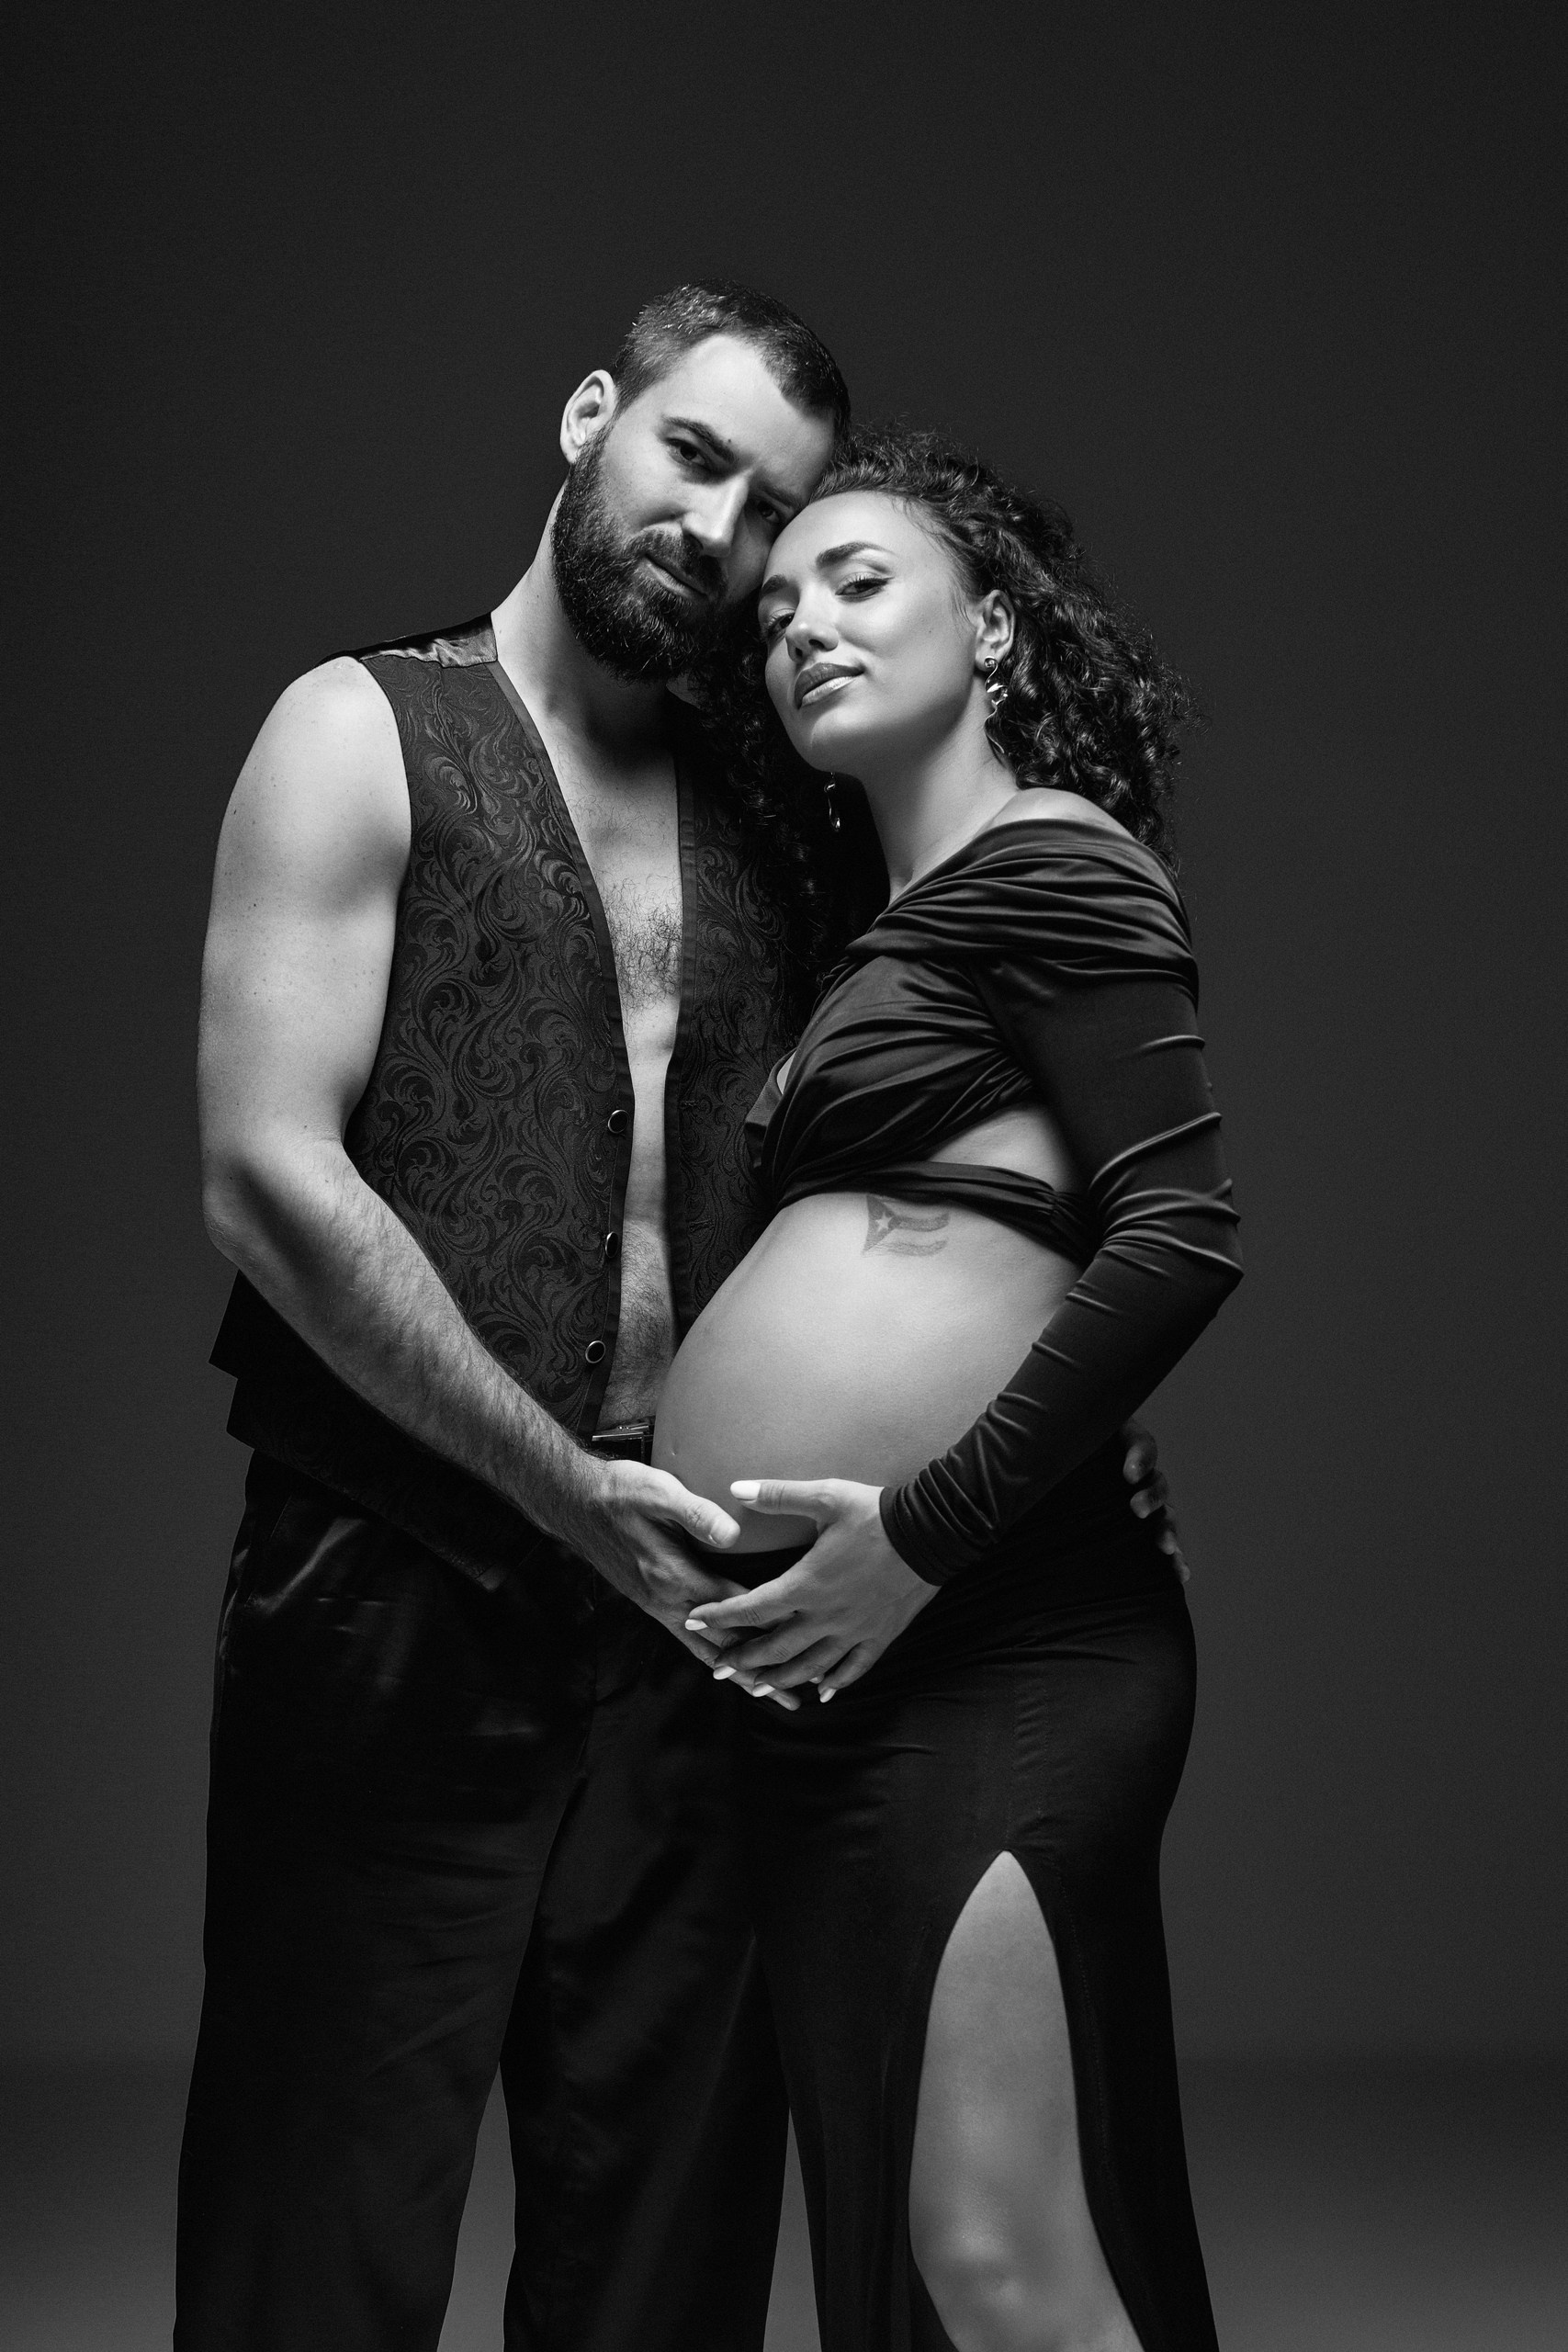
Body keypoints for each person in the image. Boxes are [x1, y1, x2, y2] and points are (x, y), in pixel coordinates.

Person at [181, 281, 1175, 2350]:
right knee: (313, 2237)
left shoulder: (791, 812)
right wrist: (564, 1485)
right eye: (693, 458)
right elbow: (267, 1176)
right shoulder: (361, 728)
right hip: (397, 1582)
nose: (723, 537)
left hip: (697, 1628)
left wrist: (1048, 1455)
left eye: (777, 510)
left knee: (664, 2262)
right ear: (588, 418)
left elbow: (978, 1139)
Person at [664, 429, 1243, 2351]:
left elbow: (1177, 1236)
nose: (802, 628)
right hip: (842, 1664)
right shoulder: (879, 941)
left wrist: (924, 1531)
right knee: (924, 2267)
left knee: (996, 2255)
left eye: (857, 582)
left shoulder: (1052, 862)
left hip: (992, 1630)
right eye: (774, 613)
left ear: (992, 629)